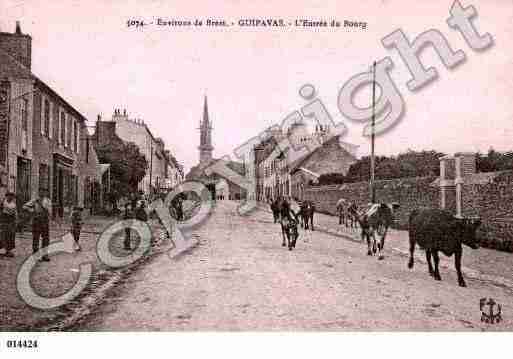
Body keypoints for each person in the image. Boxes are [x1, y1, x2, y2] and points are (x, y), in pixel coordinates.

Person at [23, 194, 52, 262]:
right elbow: (24, 206)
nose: (43, 192)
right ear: (39, 192)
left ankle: (45, 255)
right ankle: (36, 254)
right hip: (37, 221)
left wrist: (49, 218)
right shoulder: (35, 200)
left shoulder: (48, 201)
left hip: (45, 221)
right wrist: (32, 210)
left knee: (46, 238)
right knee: (36, 237)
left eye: (44, 191)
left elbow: (50, 211)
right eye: (41, 191)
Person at [0, 192, 17, 258]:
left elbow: (15, 213)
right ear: (6, 196)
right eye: (9, 196)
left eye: (12, 196)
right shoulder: (3, 203)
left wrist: (15, 221)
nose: (10, 197)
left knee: (10, 236)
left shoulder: (13, 204)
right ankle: (3, 250)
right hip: (3, 221)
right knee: (2, 236)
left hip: (11, 222)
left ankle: (8, 251)